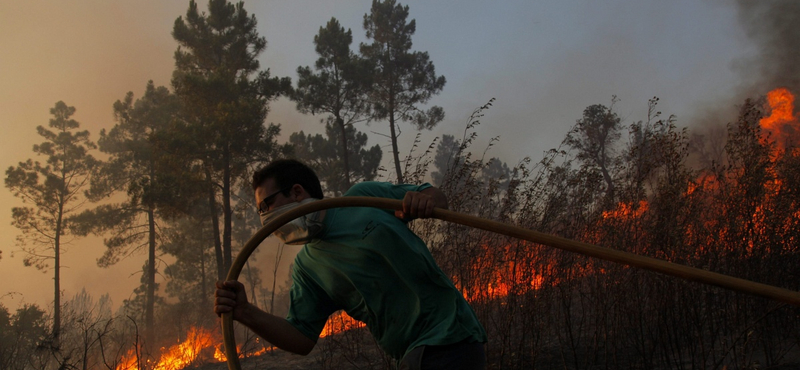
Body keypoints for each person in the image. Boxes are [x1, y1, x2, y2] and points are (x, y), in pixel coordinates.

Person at [215, 159, 487, 369]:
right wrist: (245, 312)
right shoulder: (307, 268)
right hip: (410, 356)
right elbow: (301, 337)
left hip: (451, 336)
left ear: (297, 191)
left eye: (267, 205)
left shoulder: (362, 197)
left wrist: (424, 200)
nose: (265, 219)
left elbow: (434, 197)